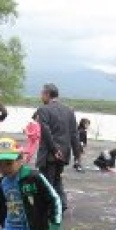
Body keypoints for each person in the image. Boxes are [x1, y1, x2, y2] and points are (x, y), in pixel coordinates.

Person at [35, 83, 81, 211]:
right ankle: (62, 203)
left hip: (50, 153)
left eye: (42, 93)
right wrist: (77, 156)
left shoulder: (43, 109)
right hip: (64, 151)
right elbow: (74, 134)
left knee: (47, 181)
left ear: (47, 94)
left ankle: (52, 207)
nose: (41, 96)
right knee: (56, 178)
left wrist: (55, 150)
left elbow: (46, 131)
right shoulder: (69, 111)